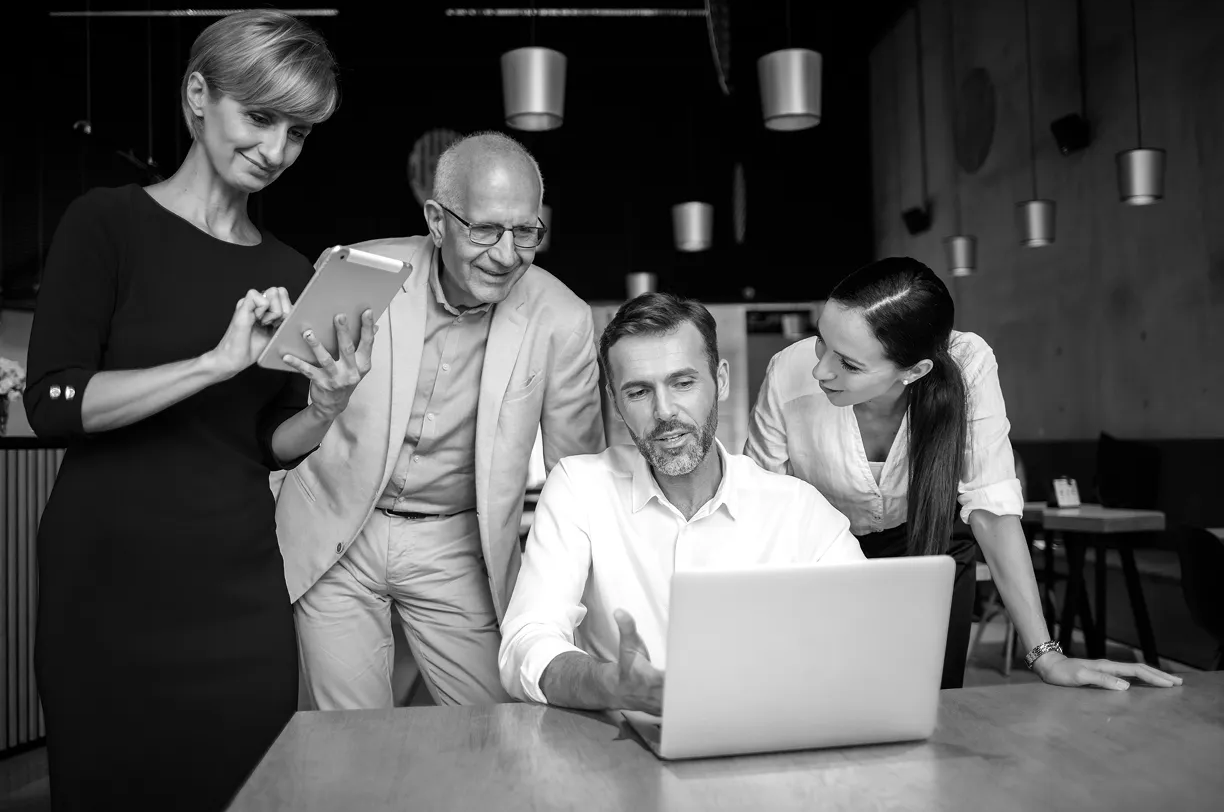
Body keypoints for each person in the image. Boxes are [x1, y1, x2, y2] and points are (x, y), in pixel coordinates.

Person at [22, 10, 365, 812]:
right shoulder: (107, 224)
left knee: (252, 791)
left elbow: (268, 443)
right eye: (261, 117)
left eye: (300, 132)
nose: (277, 151)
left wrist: (326, 404)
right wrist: (212, 364)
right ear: (198, 96)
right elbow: (54, 404)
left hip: (237, 588)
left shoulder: (289, 268)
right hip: (107, 587)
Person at [745, 257, 1182, 691]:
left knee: (932, 703)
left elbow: (991, 507)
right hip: (821, 556)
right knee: (827, 699)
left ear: (915, 372)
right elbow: (761, 509)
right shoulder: (789, 371)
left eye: (850, 364)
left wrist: (1046, 654)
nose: (821, 369)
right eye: (822, 341)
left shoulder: (969, 363)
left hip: (930, 544)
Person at [278, 130, 606, 710]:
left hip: (460, 544)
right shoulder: (352, 273)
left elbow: (576, 476)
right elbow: (283, 412)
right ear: (437, 220)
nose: (506, 255)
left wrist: (569, 611)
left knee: (501, 730)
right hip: (338, 531)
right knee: (350, 743)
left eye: (525, 232)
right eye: (484, 230)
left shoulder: (564, 318)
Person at [498, 293, 864, 712]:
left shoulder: (800, 510)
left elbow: (863, 644)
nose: (665, 411)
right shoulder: (579, 488)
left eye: (683, 382)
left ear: (720, 381)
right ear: (615, 401)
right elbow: (526, 642)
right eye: (638, 392)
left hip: (765, 741)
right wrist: (607, 684)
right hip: (618, 751)